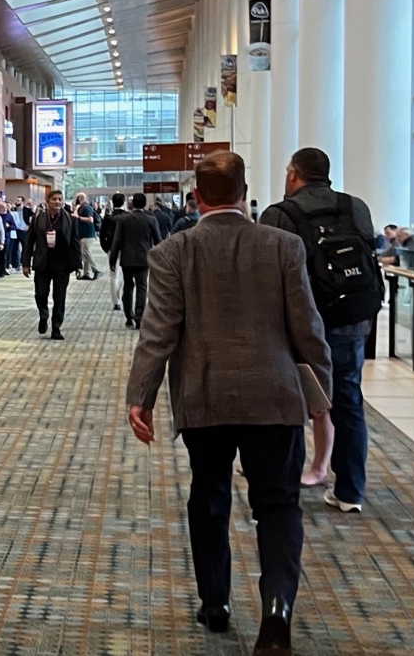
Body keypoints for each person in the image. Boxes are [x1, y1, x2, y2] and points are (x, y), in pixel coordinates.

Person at [128, 151, 331, 656]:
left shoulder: (173, 252)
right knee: (278, 503)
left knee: (209, 493)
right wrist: (321, 395)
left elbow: (158, 333)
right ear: (245, 193)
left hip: (206, 394)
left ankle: (215, 601)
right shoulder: (284, 246)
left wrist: (141, 397)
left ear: (196, 197)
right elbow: (307, 328)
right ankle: (277, 610)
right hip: (275, 395)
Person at [259, 148, 380, 515]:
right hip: (350, 320)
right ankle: (350, 491)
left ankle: (284, 483)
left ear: (293, 175)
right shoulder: (355, 207)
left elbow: (270, 275)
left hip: (301, 324)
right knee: (348, 401)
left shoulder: (279, 214)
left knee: (290, 403)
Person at [23, 190, 79, 340]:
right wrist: (25, 263)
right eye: (54, 199)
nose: (57, 202)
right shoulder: (38, 218)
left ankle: (56, 328)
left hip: (62, 264)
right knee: (40, 294)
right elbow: (30, 241)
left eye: (60, 199)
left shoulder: (69, 219)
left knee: (59, 297)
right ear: (47, 201)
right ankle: (43, 314)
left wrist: (78, 264)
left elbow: (75, 242)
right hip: (43, 263)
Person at [113, 194, 158, 330]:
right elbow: (158, 240)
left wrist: (112, 259)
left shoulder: (123, 219)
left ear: (132, 204)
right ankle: (140, 317)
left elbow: (117, 241)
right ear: (145, 204)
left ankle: (129, 316)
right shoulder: (151, 219)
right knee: (142, 287)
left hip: (127, 259)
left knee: (128, 286)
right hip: (143, 258)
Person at [100, 193, 126, 309]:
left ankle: (116, 301)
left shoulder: (108, 218)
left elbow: (102, 235)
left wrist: (106, 248)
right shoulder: (128, 217)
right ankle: (120, 296)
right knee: (125, 275)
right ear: (123, 202)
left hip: (111, 248)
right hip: (126, 249)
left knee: (113, 274)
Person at [71, 192, 101, 280]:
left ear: (79, 198)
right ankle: (86, 273)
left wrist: (78, 217)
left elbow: (90, 219)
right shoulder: (81, 207)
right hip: (83, 234)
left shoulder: (86, 207)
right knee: (85, 253)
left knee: (86, 252)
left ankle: (96, 270)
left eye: (76, 198)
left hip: (88, 234)